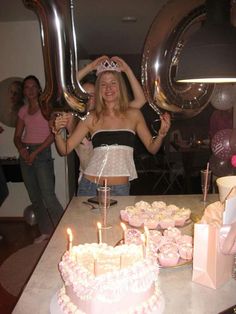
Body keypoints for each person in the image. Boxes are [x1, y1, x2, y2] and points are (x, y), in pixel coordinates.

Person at [53, 57, 171, 196]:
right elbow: (65, 149)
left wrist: (161, 134)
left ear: (120, 86)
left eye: (113, 83)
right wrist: (56, 132)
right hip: (91, 186)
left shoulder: (133, 114)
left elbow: (152, 148)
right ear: (99, 90)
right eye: (103, 84)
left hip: (120, 188)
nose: (108, 88)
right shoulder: (90, 117)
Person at [66, 56, 147, 191]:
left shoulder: (117, 114)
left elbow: (140, 100)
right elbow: (66, 89)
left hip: (114, 181)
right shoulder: (74, 119)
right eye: (84, 94)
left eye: (92, 94)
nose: (88, 98)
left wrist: (127, 70)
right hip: (89, 181)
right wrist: (90, 67)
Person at [14, 75, 64, 244]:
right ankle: (46, 231)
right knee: (35, 197)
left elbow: (53, 134)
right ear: (24, 91)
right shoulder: (23, 110)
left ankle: (63, 231)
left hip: (41, 153)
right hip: (26, 153)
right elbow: (17, 136)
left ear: (39, 89)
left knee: (48, 196)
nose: (30, 90)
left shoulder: (47, 108)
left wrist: (35, 153)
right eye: (27, 87)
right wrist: (22, 150)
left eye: (33, 86)